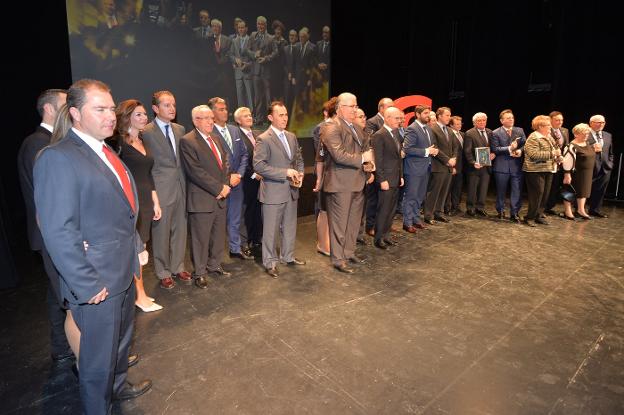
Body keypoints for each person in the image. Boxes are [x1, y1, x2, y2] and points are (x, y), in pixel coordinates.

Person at [34, 79, 151, 414]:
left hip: (122, 273)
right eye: (99, 109)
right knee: (97, 363)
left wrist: (136, 249)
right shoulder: (57, 157)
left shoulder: (105, 151)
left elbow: (125, 210)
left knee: (118, 346)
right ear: (74, 114)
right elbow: (58, 230)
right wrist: (86, 283)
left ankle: (116, 391)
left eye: (111, 108)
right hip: (96, 281)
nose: (110, 115)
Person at [17, 89, 79, 363]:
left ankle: (61, 348)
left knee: (59, 295)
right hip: (53, 236)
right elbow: (49, 198)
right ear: (50, 110)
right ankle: (83, 356)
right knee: (71, 299)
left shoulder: (52, 142)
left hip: (55, 234)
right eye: (67, 105)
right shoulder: (37, 144)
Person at [111, 99, 163, 312]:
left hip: (146, 202)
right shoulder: (118, 144)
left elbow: (147, 174)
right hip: (130, 202)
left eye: (144, 114)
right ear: (127, 117)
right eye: (139, 114)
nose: (144, 118)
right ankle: (139, 296)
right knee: (136, 250)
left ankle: (138, 293)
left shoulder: (143, 140)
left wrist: (155, 200)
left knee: (141, 249)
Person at [142, 90, 190, 290]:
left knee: (181, 229)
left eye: (173, 104)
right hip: (161, 189)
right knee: (161, 232)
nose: (172, 108)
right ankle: (163, 271)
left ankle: (178, 266)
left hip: (181, 186)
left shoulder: (180, 129)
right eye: (166, 105)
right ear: (155, 108)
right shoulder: (146, 132)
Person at [180, 105, 232, 289]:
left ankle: (214, 264)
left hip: (221, 197)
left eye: (212, 117)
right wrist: (218, 188)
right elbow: (195, 172)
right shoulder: (188, 141)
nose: (212, 121)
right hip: (202, 198)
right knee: (200, 239)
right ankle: (200, 272)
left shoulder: (216, 139)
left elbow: (225, 163)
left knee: (218, 235)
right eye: (206, 118)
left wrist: (225, 185)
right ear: (195, 121)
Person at [321, 93, 373, 273]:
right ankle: (337, 259)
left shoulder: (357, 128)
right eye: (351, 106)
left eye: (356, 105)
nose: (355, 109)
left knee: (353, 223)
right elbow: (339, 155)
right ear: (340, 108)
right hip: (340, 184)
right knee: (339, 224)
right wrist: (362, 159)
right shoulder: (331, 127)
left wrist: (369, 164)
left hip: (357, 182)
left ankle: (349, 252)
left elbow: (366, 151)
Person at [253, 101, 306, 278]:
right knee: (271, 229)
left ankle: (287, 256)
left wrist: (300, 172)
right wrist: (285, 172)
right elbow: (259, 166)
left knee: (290, 226)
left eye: (285, 114)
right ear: (270, 117)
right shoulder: (264, 138)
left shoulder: (291, 136)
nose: (285, 118)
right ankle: (270, 262)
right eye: (280, 115)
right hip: (273, 192)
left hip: (291, 190)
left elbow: (298, 158)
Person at [208, 97, 250, 260]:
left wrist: (238, 174)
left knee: (235, 217)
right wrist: (228, 178)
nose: (225, 112)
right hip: (219, 184)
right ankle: (214, 257)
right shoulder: (209, 132)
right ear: (212, 112)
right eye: (220, 109)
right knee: (217, 222)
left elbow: (244, 155)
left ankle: (235, 248)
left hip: (237, 182)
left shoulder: (234, 130)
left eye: (225, 108)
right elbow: (211, 161)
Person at [371, 107, 404, 249]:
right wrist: (382, 179)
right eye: (397, 118)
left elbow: (398, 158)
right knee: (383, 209)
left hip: (395, 178)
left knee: (391, 209)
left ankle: (386, 235)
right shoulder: (379, 135)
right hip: (386, 180)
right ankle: (378, 239)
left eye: (400, 118)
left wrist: (401, 176)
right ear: (388, 118)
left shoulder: (395, 133)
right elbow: (378, 160)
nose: (400, 121)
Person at [402, 105, 437, 232]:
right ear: (417, 114)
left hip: (425, 167)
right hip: (413, 169)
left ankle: (416, 219)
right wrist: (426, 151)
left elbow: (428, 146)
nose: (428, 116)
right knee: (411, 196)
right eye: (426, 113)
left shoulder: (427, 128)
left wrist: (432, 150)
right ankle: (407, 222)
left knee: (420, 196)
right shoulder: (412, 129)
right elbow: (407, 149)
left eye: (429, 113)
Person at [364, 98, 394, 235]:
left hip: (388, 166)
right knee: (373, 199)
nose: (391, 108)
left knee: (385, 200)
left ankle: (382, 224)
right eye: (389, 106)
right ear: (381, 108)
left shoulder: (394, 124)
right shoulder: (372, 122)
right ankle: (370, 225)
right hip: (376, 165)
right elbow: (371, 143)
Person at [522, 115, 560, 227]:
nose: (550, 127)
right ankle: (530, 217)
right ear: (539, 126)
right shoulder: (533, 137)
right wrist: (553, 154)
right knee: (537, 195)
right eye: (548, 125)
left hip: (548, 169)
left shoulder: (549, 136)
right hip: (535, 171)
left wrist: (558, 157)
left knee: (545, 195)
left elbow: (555, 149)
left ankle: (538, 215)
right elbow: (534, 155)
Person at [234, 106, 262, 254]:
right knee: (246, 212)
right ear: (238, 120)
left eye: (250, 115)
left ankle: (256, 239)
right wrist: (253, 175)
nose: (249, 117)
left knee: (258, 210)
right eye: (245, 116)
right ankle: (245, 243)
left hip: (261, 180)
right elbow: (239, 160)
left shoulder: (258, 134)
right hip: (246, 181)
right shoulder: (236, 136)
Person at [490, 109, 526, 223]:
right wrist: (510, 148)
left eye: (512, 117)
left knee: (517, 190)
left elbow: (525, 145)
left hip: (516, 166)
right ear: (502, 120)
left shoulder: (519, 130)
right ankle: (500, 211)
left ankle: (514, 213)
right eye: (508, 118)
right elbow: (495, 149)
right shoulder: (495, 132)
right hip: (501, 167)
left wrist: (520, 151)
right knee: (501, 191)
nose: (511, 119)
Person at [424, 106, 456, 224]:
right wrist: (447, 160)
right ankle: (428, 215)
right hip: (438, 165)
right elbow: (435, 147)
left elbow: (455, 147)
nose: (449, 117)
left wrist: (454, 158)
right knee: (434, 192)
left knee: (444, 192)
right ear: (440, 116)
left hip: (448, 166)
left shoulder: (449, 130)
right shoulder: (433, 129)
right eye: (447, 115)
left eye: (450, 115)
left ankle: (438, 213)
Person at [561, 123, 595, 220]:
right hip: (576, 173)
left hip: (587, 173)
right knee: (570, 191)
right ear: (576, 134)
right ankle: (568, 211)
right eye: (583, 133)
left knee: (584, 191)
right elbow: (567, 161)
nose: (586, 135)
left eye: (587, 134)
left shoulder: (588, 144)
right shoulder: (571, 146)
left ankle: (581, 210)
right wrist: (567, 174)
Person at [464, 112, 495, 217]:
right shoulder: (469, 133)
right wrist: (473, 162)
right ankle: (470, 208)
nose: (482, 122)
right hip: (474, 166)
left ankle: (480, 207)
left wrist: (493, 154)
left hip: (486, 166)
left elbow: (493, 147)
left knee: (483, 188)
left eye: (484, 120)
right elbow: (467, 151)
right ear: (474, 122)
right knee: (472, 188)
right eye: (479, 120)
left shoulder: (490, 132)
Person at [250, 16, 277, 124]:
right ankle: (259, 118)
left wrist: (266, 59)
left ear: (265, 25)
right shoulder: (253, 36)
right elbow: (247, 50)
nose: (260, 26)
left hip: (266, 72)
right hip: (256, 72)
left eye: (262, 24)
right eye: (258, 24)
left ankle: (270, 119)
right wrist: (254, 54)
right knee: (257, 97)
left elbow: (275, 52)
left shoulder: (271, 38)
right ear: (257, 25)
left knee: (268, 97)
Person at [587, 114, 614, 218]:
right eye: (598, 122)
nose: (601, 124)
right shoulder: (585, 134)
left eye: (603, 122)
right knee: (585, 189)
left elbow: (610, 152)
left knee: (600, 190)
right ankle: (579, 210)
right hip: (590, 166)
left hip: (605, 167)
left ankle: (595, 210)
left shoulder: (607, 135)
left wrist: (610, 164)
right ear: (591, 123)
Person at [544, 111, 569, 214]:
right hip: (549, 162)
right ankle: (543, 207)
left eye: (561, 120)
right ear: (550, 120)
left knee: (555, 186)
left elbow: (566, 146)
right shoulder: (546, 130)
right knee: (547, 187)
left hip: (560, 164)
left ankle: (549, 207)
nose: (560, 122)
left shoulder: (565, 130)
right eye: (557, 120)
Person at [445, 115, 465, 215]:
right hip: (452, 166)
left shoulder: (462, 134)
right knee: (449, 188)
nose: (459, 125)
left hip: (461, 166)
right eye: (457, 124)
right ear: (451, 125)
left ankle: (456, 206)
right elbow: (450, 153)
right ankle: (447, 208)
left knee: (458, 188)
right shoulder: (448, 134)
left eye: (460, 123)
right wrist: (452, 167)